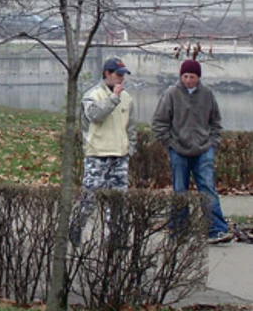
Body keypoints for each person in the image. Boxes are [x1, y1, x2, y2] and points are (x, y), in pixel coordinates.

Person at [151, 59, 232, 245]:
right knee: (180, 190)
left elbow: (216, 122)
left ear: (198, 77)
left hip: (204, 148)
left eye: (192, 77)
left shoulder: (207, 94)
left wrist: (213, 142)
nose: (188, 80)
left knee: (207, 188)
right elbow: (159, 122)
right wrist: (169, 143)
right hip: (178, 149)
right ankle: (179, 230)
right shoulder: (171, 94)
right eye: (185, 76)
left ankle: (217, 229)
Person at [69, 57, 136, 247]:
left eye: (124, 75)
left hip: (120, 155)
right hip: (97, 154)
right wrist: (113, 97)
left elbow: (131, 127)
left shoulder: (127, 98)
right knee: (89, 198)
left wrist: (129, 148)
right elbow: (96, 116)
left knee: (118, 201)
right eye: (118, 75)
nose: (122, 79)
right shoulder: (92, 95)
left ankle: (114, 237)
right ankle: (76, 228)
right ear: (107, 74)